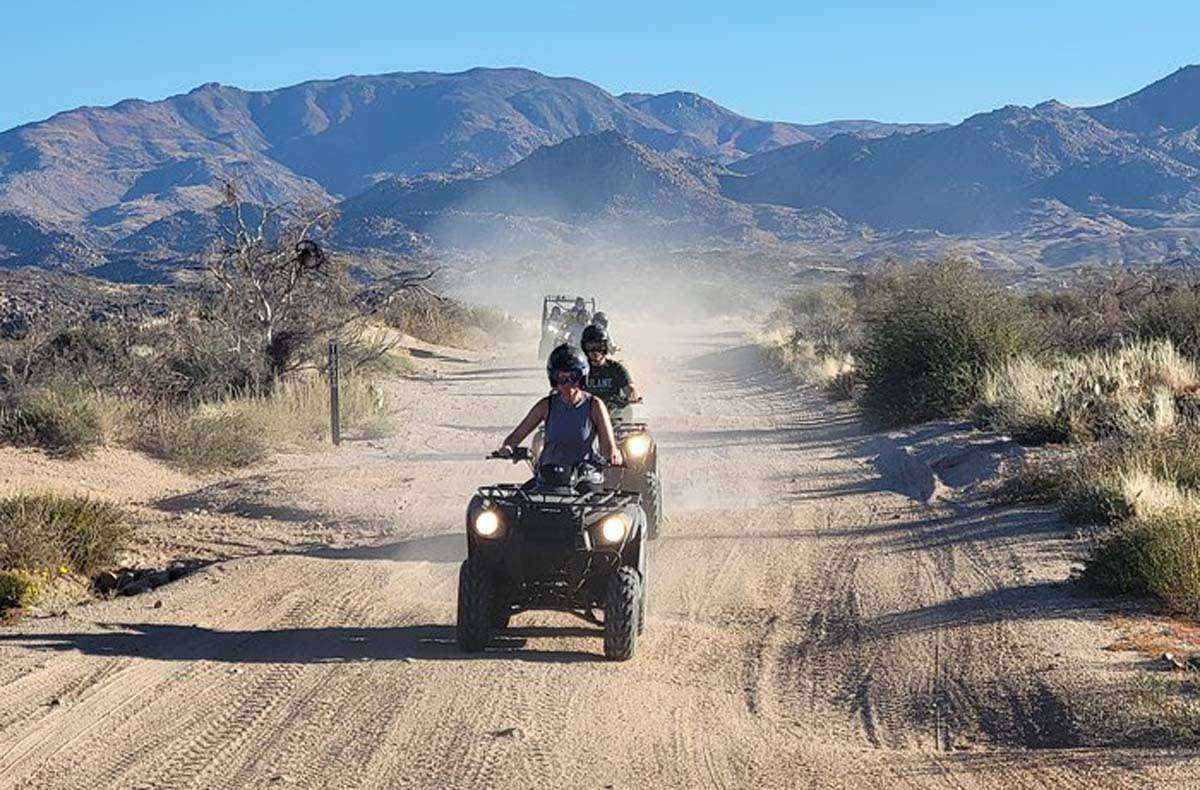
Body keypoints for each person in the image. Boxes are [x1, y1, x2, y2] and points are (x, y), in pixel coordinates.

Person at [497, 344, 622, 486]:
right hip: (548, 474)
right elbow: (518, 434)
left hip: (585, 476)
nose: (567, 383)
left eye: (572, 377)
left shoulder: (594, 405)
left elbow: (608, 444)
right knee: (516, 502)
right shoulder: (546, 405)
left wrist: (613, 455)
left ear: (582, 377)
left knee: (592, 505)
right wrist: (508, 447)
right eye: (561, 377)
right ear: (553, 379)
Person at [581, 324, 640, 416]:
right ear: (584, 347)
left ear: (605, 347)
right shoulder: (580, 369)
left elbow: (630, 389)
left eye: (599, 346)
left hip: (613, 415)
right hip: (586, 416)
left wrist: (629, 397)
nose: (595, 351)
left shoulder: (616, 368)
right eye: (590, 346)